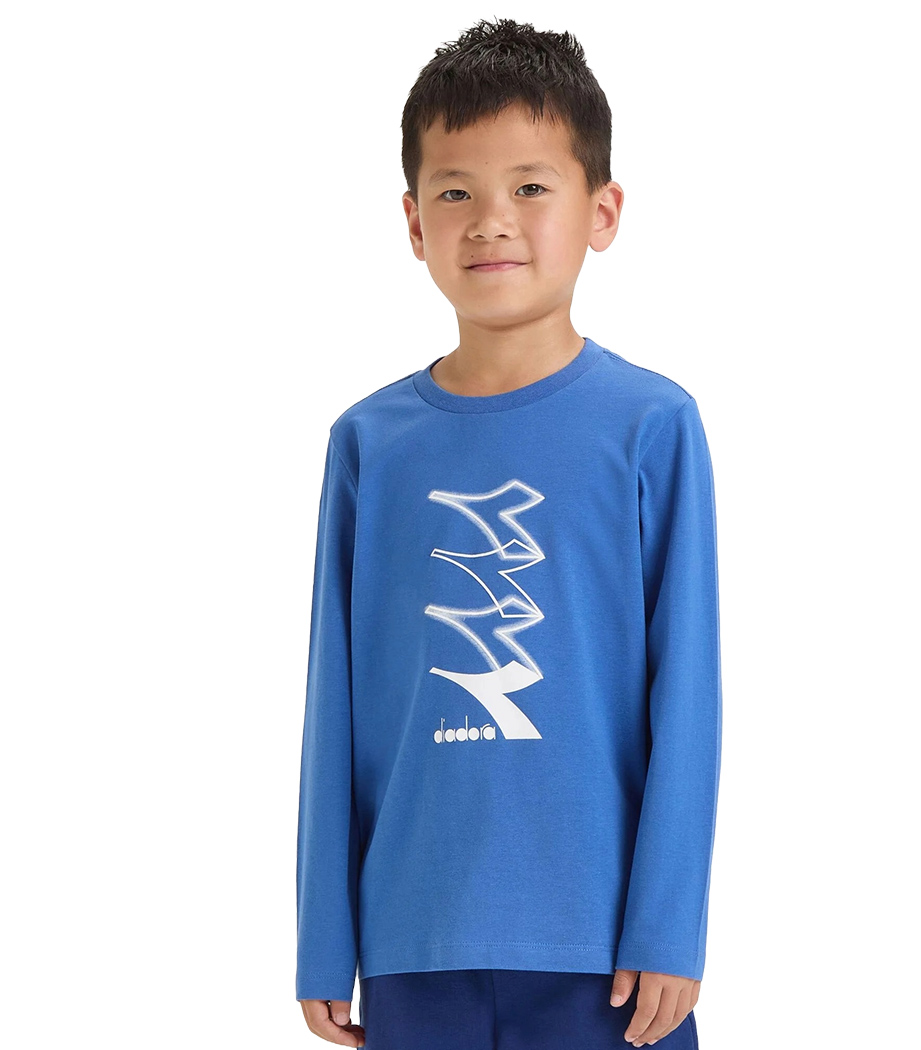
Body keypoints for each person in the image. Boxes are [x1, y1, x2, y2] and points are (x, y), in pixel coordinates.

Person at [295, 17, 722, 1050]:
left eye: (530, 186)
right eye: (456, 193)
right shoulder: (368, 445)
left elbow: (688, 693)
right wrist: (322, 937)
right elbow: (332, 701)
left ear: (602, 211)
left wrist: (670, 925)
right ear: (413, 223)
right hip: (413, 940)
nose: (492, 221)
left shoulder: (652, 426)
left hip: (608, 959)